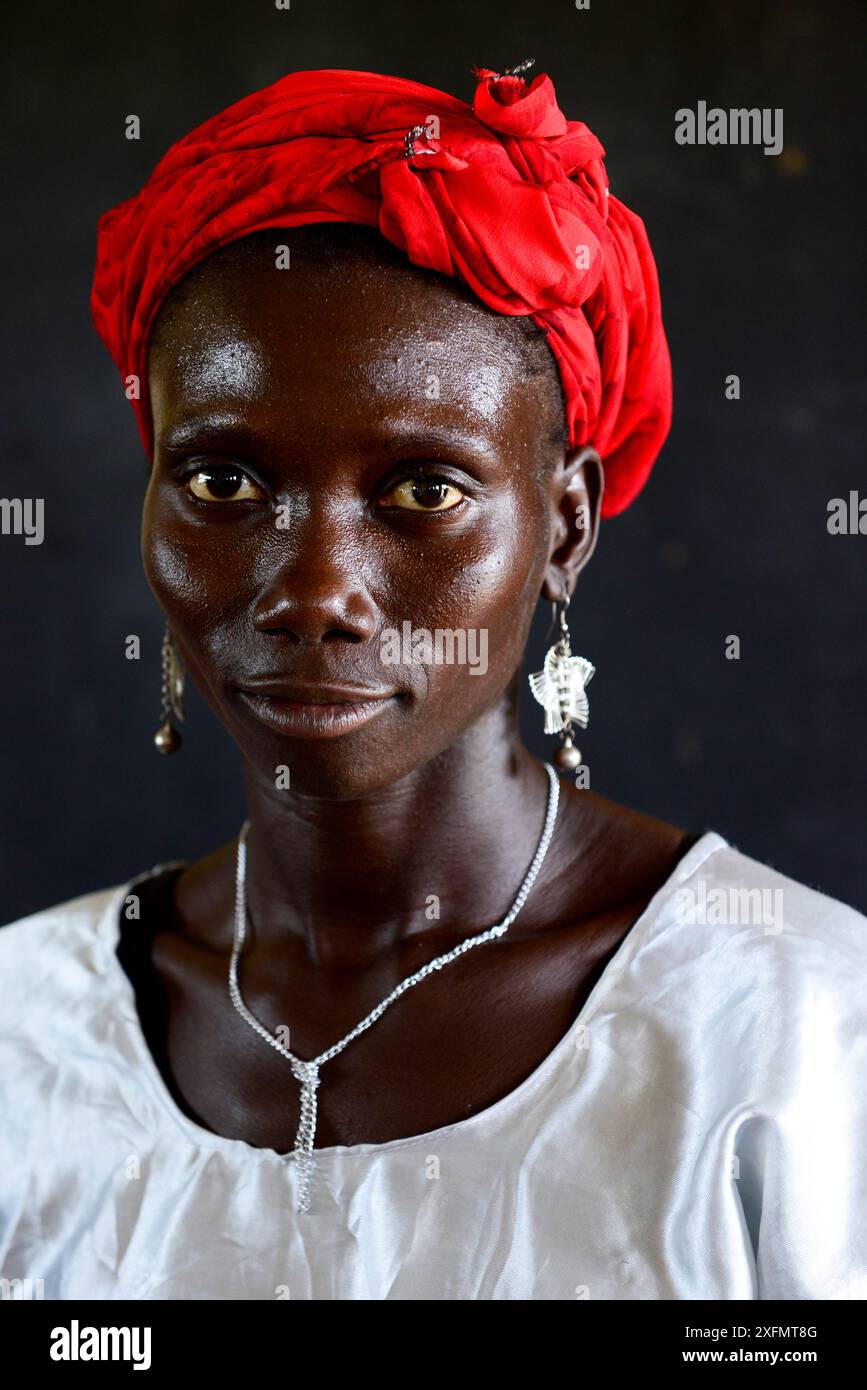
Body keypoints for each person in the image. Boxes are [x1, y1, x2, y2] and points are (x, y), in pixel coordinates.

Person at [1, 63, 864, 1302]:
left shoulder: (804, 1047)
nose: (312, 591)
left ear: (566, 526)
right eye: (224, 484)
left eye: (422, 490)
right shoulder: (26, 1035)